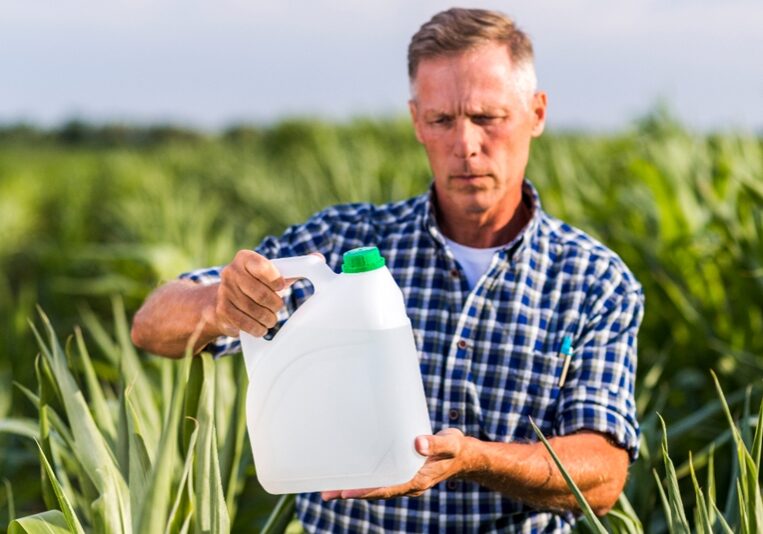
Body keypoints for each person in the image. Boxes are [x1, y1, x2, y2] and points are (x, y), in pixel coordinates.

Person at [131, 7, 643, 532]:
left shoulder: (594, 281)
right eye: (443, 120)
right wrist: (220, 307)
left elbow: (603, 475)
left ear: (536, 113)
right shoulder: (339, 245)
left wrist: (476, 460)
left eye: (488, 118)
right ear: (417, 121)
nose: (466, 145)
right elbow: (151, 325)